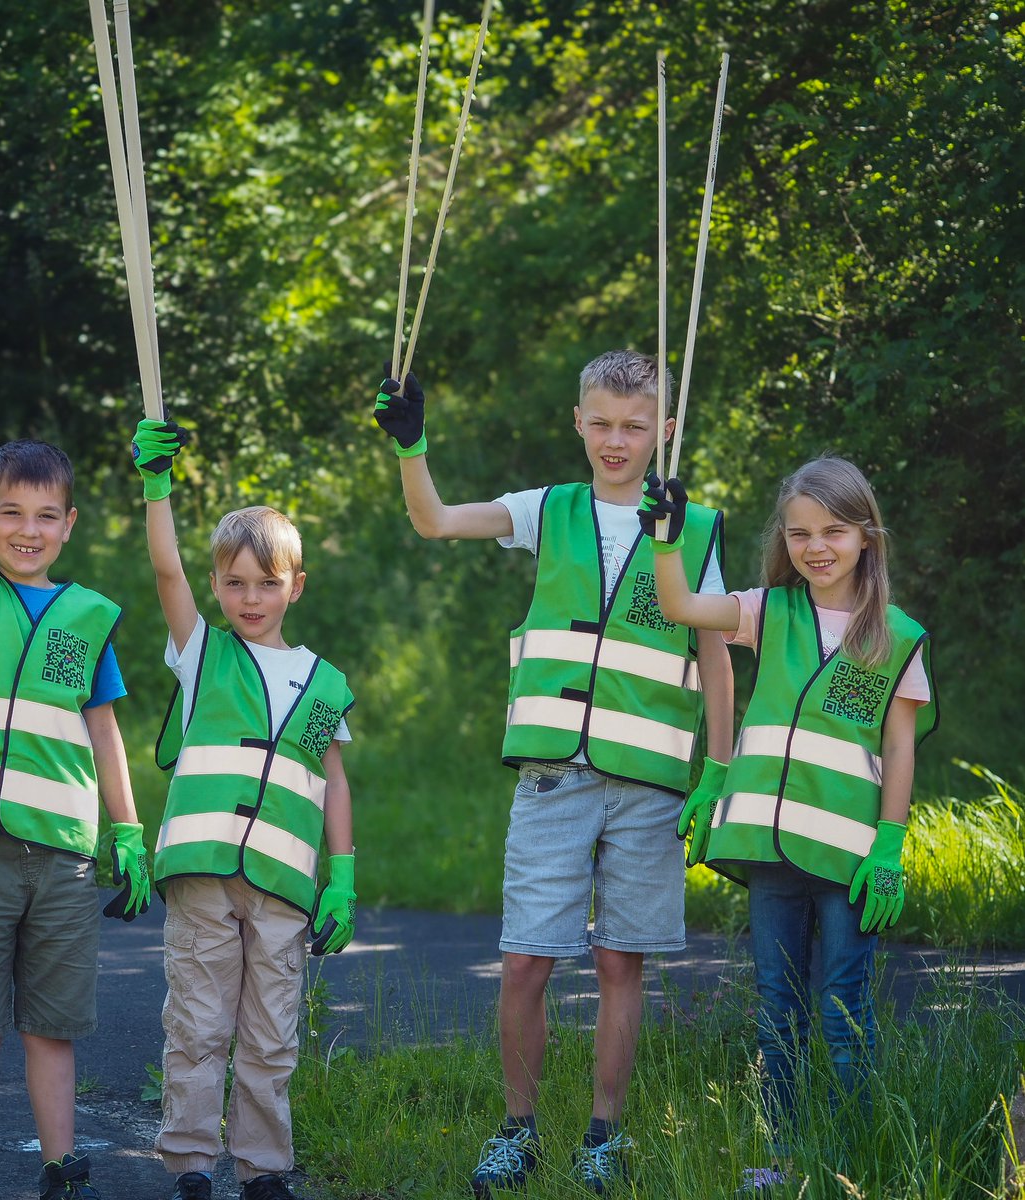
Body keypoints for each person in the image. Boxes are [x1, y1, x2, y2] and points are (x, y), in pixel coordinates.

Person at [373, 350, 735, 1196]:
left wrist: (717, 767)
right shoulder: (551, 509)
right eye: (601, 423)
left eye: (634, 426)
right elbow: (433, 521)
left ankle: (603, 1132)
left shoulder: (693, 523)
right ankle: (516, 1128)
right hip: (550, 778)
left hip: (648, 784)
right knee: (526, 959)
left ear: (665, 432)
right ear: (577, 422)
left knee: (621, 963)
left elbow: (715, 655)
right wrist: (409, 447)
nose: (616, 440)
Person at [0, 316, 152, 1200]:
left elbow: (106, 730)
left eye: (46, 516)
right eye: (10, 512)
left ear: (70, 524)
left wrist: (129, 833)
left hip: (64, 854)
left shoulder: (88, 617)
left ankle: (59, 1161)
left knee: (53, 1023)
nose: (27, 529)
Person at [640, 455, 937, 1194]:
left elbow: (898, 745)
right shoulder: (768, 610)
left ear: (866, 536)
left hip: (847, 859)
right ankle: (784, 1158)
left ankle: (848, 1159)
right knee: (778, 1014)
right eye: (800, 532)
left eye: (833, 531)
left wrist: (890, 846)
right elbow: (678, 606)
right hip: (770, 853)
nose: (816, 547)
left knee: (843, 1009)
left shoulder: (895, 635)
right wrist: (665, 539)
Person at [130, 418, 358, 1200]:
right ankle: (191, 1163)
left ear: (295, 585)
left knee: (270, 1034)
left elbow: (332, 777)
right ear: (218, 585)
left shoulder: (322, 682)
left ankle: (265, 1170)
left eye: (266, 582)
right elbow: (166, 574)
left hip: (284, 888)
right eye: (233, 582)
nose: (249, 598)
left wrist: (344, 878)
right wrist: (157, 489)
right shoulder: (202, 654)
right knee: (196, 1025)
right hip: (202, 877)